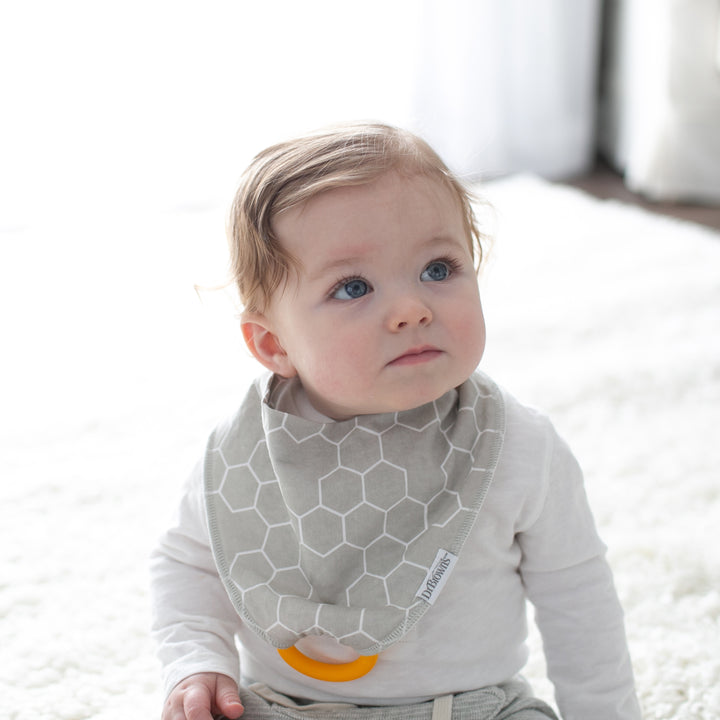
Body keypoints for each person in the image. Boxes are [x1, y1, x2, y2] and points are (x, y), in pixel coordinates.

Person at [150, 123, 641, 720]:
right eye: (352, 287)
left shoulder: (514, 445)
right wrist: (197, 662)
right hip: (284, 705)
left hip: (470, 709)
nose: (412, 309)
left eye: (438, 269)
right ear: (273, 344)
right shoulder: (243, 452)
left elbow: (578, 599)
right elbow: (190, 563)